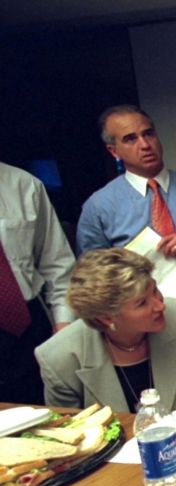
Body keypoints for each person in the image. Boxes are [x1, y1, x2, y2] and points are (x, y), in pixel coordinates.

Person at [34, 248, 176, 412]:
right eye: (141, 303)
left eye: (155, 290)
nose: (159, 305)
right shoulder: (59, 357)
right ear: (106, 317)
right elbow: (69, 432)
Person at [77, 104, 176, 323]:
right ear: (113, 151)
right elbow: (90, 276)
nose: (145, 145)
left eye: (148, 134)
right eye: (130, 139)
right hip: (133, 313)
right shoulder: (99, 207)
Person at [0, 162, 76, 404]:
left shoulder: (24, 184)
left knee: (44, 420)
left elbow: (57, 263)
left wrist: (64, 323)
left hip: (27, 326)